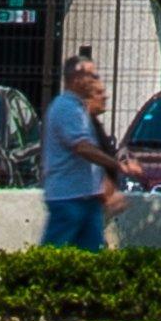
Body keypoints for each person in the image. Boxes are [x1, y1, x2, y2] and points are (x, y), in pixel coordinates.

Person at [39, 52, 125, 252]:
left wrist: (106, 188)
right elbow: (82, 148)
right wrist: (116, 164)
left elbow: (89, 160)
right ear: (77, 78)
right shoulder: (66, 108)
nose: (96, 81)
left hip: (86, 197)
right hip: (68, 199)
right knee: (53, 254)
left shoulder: (79, 109)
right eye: (92, 76)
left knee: (91, 256)